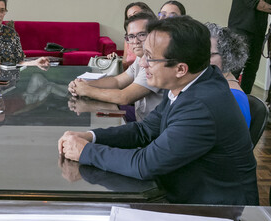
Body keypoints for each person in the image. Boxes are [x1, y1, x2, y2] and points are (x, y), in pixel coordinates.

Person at [58, 16, 259, 205]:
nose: (143, 63)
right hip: (187, 197)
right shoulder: (190, 83)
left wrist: (86, 152)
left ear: (181, 69)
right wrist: (91, 136)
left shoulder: (201, 106)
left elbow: (145, 164)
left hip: (216, 215)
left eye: (150, 58)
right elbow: (143, 131)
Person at [68, 12, 163, 121]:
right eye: (131, 36)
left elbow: (124, 97)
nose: (135, 41)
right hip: (141, 119)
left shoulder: (154, 62)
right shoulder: (140, 58)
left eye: (142, 35)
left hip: (152, 129)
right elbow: (117, 81)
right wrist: (83, 83)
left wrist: (86, 90)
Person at [228, 0, 271, 94]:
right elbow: (255, 3)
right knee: (236, 67)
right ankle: (231, 99)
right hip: (241, 29)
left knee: (252, 69)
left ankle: (245, 99)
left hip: (259, 30)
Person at [206, 22, 251, 127]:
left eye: (209, 54)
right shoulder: (213, 84)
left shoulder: (234, 96)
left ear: (227, 56)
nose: (202, 59)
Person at [108, 2, 156, 70]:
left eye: (142, 35)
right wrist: (115, 58)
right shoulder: (129, 40)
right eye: (130, 17)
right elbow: (124, 63)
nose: (135, 41)